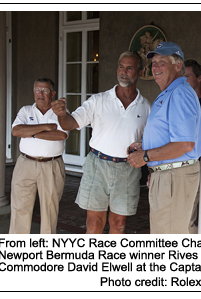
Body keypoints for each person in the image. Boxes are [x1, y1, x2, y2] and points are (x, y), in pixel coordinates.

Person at [51, 51, 151, 234]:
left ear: (140, 72)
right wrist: (62, 115)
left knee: (119, 224)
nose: (123, 72)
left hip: (127, 170)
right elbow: (71, 123)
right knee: (94, 223)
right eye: (121, 66)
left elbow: (149, 142)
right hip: (97, 165)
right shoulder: (98, 100)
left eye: (129, 68)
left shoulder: (146, 107)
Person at [128, 42, 201, 234]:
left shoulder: (179, 93)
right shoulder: (170, 93)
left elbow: (185, 144)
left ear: (178, 66)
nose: (156, 67)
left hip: (174, 177)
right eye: (154, 62)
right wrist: (145, 146)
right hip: (168, 175)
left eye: (163, 62)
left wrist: (146, 156)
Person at [9, 78, 68, 234]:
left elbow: (60, 135)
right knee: (20, 207)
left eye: (45, 91)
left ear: (53, 93)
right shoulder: (26, 110)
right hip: (25, 164)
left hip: (51, 165)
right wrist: (45, 127)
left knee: (49, 210)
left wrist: (31, 133)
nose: (40, 94)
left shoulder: (60, 113)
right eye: (37, 90)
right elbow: (16, 131)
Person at [184, 59, 201, 234]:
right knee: (187, 215)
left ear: (199, 78)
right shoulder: (182, 103)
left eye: (188, 76)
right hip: (187, 168)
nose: (184, 80)